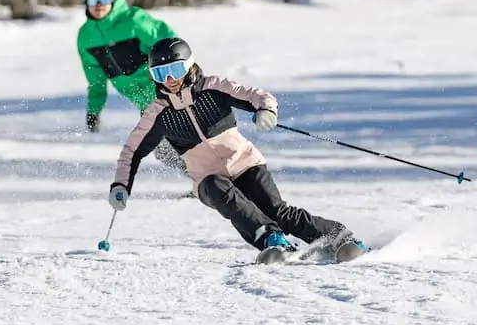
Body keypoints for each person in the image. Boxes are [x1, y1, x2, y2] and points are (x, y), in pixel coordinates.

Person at [106, 37, 365, 262]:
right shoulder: (158, 113)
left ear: (189, 65)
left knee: (278, 211)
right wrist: (120, 186)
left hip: (245, 163)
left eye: (175, 69)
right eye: (162, 74)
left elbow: (255, 95)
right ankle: (270, 240)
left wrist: (266, 110)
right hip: (207, 178)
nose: (171, 80)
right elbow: (131, 152)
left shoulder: (213, 87)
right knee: (221, 191)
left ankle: (340, 239)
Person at [76, 0, 184, 174]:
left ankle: (218, 178)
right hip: (145, 103)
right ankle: (204, 181)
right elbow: (95, 79)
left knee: (182, 139)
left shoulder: (133, 20)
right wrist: (94, 110)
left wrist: (182, 76)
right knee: (163, 149)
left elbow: (169, 42)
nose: (99, 5)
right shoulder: (85, 37)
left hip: (165, 92)